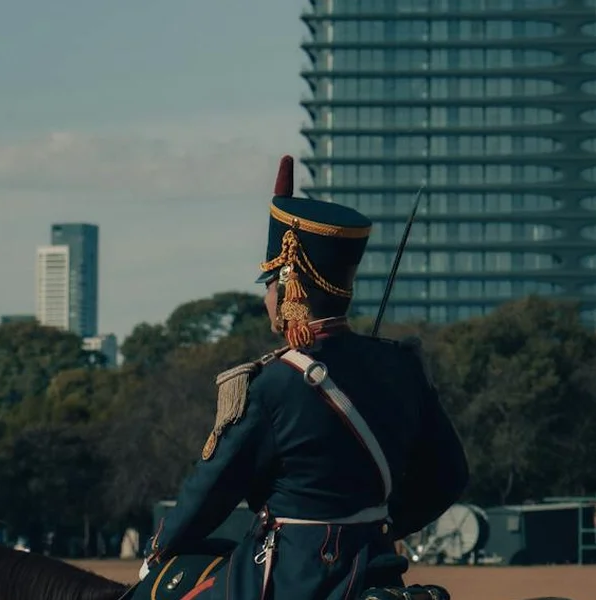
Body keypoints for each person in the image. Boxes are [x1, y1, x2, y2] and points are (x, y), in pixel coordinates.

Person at [139, 156, 469, 599]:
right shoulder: (403, 367)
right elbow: (449, 474)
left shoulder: (274, 383)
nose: (266, 298)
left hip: (291, 578)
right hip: (376, 566)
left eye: (269, 285)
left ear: (289, 285)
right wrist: (386, 523)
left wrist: (160, 547)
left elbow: (213, 489)